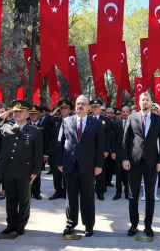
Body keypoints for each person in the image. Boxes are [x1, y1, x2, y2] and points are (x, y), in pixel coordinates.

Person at [0, 100, 42, 236]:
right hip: (8, 169)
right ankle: (11, 224)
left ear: (27, 114)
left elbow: (38, 153)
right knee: (10, 199)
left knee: (23, 199)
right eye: (15, 111)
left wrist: (36, 171)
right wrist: (3, 115)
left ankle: (21, 224)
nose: (16, 113)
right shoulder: (6, 127)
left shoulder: (35, 132)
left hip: (24, 170)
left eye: (20, 111)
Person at [57, 95, 104, 237]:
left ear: (89, 107)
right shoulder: (66, 121)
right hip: (70, 165)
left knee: (88, 196)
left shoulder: (95, 123)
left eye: (83, 104)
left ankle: (89, 225)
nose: (80, 106)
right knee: (70, 196)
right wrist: (59, 162)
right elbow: (60, 143)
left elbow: (100, 146)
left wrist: (99, 165)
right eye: (78, 103)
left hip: (88, 166)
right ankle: (71, 223)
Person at [122, 92, 160, 238]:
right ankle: (133, 225)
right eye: (142, 100)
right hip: (134, 162)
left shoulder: (159, 119)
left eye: (147, 100)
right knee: (133, 196)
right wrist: (125, 158)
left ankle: (148, 225)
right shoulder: (132, 117)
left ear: (151, 102)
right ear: (139, 102)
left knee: (150, 196)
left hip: (152, 163)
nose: (145, 102)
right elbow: (126, 141)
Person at [40, 100, 74, 200]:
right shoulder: (55, 120)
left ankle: (66, 191)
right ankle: (58, 191)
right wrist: (51, 114)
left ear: (69, 110)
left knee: (68, 173)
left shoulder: (74, 120)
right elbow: (42, 124)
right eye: (61, 108)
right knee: (56, 173)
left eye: (66, 108)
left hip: (69, 151)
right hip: (56, 151)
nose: (63, 110)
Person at [90, 99, 112, 201]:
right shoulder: (87, 119)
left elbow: (109, 138)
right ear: (90, 108)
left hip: (101, 151)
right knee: (88, 172)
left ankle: (100, 192)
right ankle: (89, 191)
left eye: (97, 107)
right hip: (89, 151)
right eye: (93, 106)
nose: (95, 108)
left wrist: (107, 149)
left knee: (100, 173)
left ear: (100, 108)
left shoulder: (106, 120)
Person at [111, 106, 130, 200]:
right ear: (121, 113)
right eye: (123, 112)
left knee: (127, 174)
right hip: (118, 152)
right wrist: (113, 151)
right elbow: (113, 138)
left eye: (127, 111)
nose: (125, 113)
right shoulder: (116, 124)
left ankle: (127, 193)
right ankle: (118, 193)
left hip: (129, 154)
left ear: (129, 113)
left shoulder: (133, 124)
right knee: (118, 174)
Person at [28, 105, 44, 200]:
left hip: (38, 152)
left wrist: (45, 154)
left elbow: (46, 140)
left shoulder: (43, 125)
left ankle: (36, 192)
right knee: (27, 173)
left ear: (39, 114)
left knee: (37, 172)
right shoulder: (26, 125)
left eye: (35, 114)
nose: (33, 115)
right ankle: (28, 191)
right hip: (28, 152)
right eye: (31, 114)